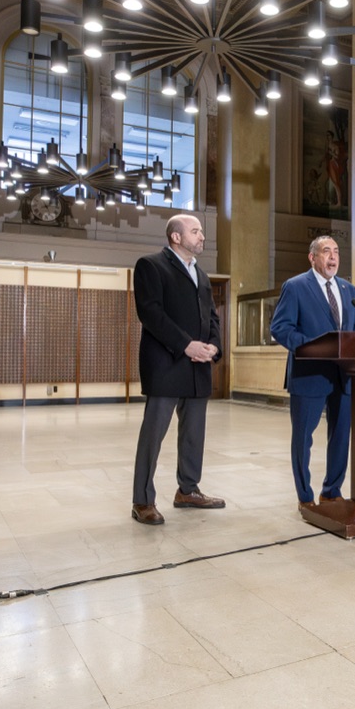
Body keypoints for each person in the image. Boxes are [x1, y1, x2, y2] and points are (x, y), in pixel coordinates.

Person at [130, 214, 225, 525]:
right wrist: (186, 345)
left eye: (201, 231)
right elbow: (151, 314)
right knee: (153, 436)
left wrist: (214, 346)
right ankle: (142, 500)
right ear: (176, 237)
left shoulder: (201, 274)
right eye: (195, 231)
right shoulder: (150, 266)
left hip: (198, 367)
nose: (202, 236)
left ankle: (188, 490)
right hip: (166, 365)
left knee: (194, 434)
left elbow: (212, 317)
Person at [269, 236, 355, 510]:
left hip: (344, 375)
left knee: (340, 436)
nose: (333, 257)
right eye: (326, 251)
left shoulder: (348, 289)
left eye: (336, 252)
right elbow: (280, 328)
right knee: (303, 438)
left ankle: (332, 491)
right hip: (309, 375)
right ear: (312, 257)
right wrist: (314, 347)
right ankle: (305, 496)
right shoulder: (296, 286)